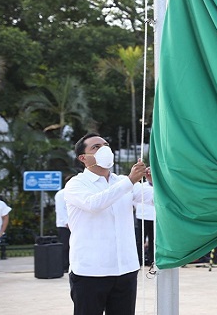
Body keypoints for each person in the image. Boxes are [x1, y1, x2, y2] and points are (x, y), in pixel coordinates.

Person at [64, 133, 150, 315]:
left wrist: (151, 181)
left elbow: (154, 198)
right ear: (83, 158)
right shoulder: (76, 184)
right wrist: (129, 181)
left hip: (125, 269)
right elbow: (94, 204)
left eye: (105, 144)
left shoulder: (122, 182)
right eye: (96, 147)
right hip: (90, 271)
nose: (104, 149)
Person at [134, 170, 155, 267]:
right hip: (142, 216)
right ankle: (138, 260)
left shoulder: (158, 186)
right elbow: (135, 200)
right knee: (140, 240)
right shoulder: (142, 186)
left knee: (153, 240)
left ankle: (152, 260)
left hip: (155, 217)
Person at [55, 174, 75, 273]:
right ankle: (64, 266)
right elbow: (60, 210)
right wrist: (67, 222)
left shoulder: (76, 193)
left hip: (76, 225)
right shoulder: (61, 194)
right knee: (65, 246)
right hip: (64, 226)